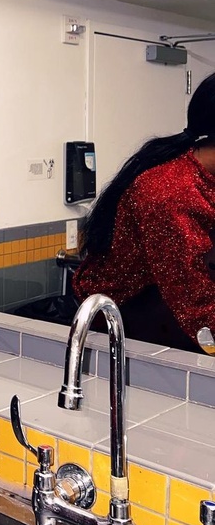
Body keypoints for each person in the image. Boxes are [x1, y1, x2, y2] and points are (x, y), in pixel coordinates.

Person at [74, 71, 215, 353]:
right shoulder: (170, 192)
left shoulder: (202, 178)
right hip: (125, 335)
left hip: (171, 323)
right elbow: (194, 302)